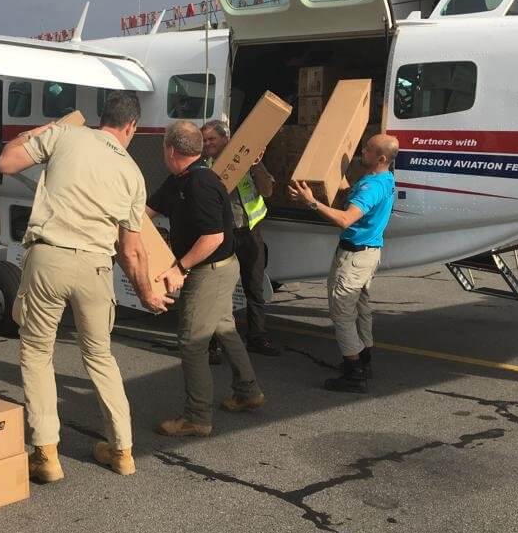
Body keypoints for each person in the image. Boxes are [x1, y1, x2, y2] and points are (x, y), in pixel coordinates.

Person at [0, 92, 172, 482]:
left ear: (100, 117)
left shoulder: (64, 136)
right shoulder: (132, 172)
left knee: (38, 353)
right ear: (131, 127)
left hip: (49, 258)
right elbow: (131, 250)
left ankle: (45, 454)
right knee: (100, 357)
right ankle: (123, 450)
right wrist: (146, 294)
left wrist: (42, 129)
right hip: (95, 267)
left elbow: (6, 161)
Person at [148, 120, 264, 438]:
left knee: (191, 342)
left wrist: (178, 268)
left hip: (209, 272)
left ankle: (197, 417)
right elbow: (146, 211)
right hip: (218, 269)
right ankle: (248, 391)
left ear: (170, 150)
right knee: (224, 328)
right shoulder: (179, 180)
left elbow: (212, 237)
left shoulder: (200, 184)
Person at [288, 133, 399, 393]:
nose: (363, 150)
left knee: (342, 315)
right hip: (369, 254)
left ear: (381, 158)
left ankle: (354, 372)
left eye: (369, 149)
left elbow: (346, 219)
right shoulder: (383, 179)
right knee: (361, 308)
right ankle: (365, 358)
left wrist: (312, 203)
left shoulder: (371, 187)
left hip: (353, 258)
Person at [200, 119, 280, 357]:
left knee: (254, 286)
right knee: (218, 290)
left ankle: (257, 336)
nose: (207, 144)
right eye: (204, 140)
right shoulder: (204, 166)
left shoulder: (247, 161)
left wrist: (256, 166)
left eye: (211, 139)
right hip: (223, 234)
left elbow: (268, 190)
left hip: (250, 232)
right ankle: (212, 342)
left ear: (226, 139)